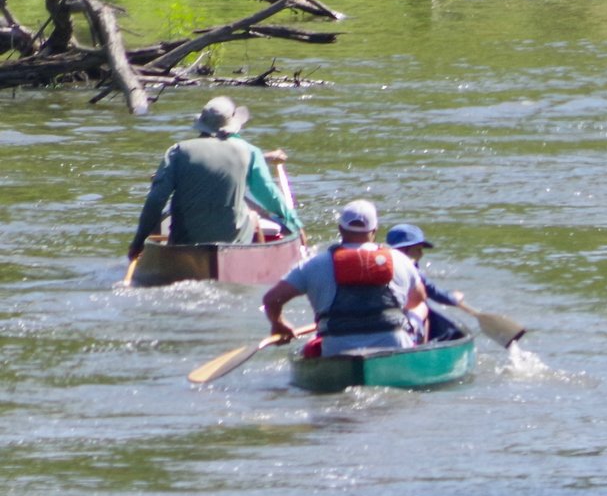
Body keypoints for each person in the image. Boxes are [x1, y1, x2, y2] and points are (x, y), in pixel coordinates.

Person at [125, 96, 300, 265]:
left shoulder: (177, 151)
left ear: (201, 125)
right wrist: (293, 222)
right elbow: (268, 194)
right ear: (232, 126)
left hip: (185, 243)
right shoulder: (249, 151)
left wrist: (138, 242)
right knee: (253, 215)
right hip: (234, 242)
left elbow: (155, 200)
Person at [262, 200, 427, 358]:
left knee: (310, 348)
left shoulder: (313, 264)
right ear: (374, 231)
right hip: (393, 344)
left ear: (341, 229)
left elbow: (271, 299)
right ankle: (419, 355)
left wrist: (279, 324)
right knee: (422, 309)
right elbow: (418, 299)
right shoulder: (400, 260)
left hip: (337, 349)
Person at [386, 222, 472, 343]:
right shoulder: (412, 270)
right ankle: (422, 346)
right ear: (404, 250)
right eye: (418, 249)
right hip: (403, 316)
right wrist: (454, 298)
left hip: (388, 315)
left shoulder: (382, 265)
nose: (422, 253)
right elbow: (433, 292)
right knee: (424, 307)